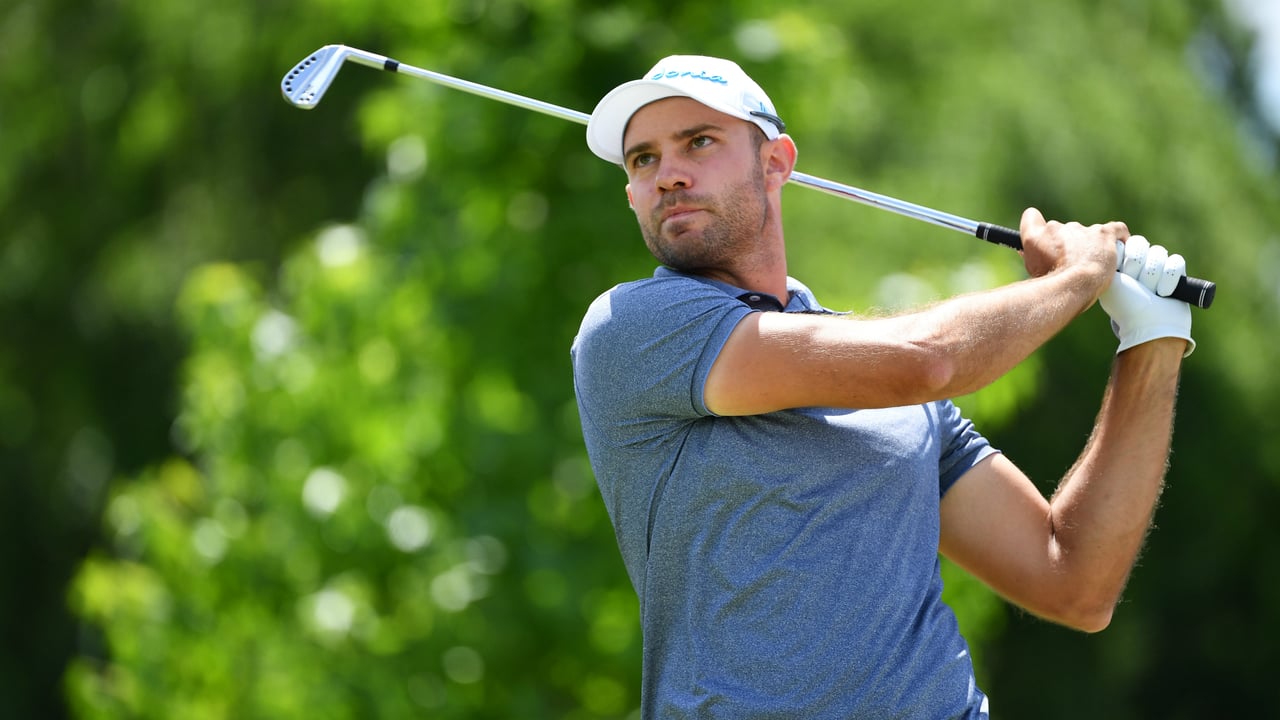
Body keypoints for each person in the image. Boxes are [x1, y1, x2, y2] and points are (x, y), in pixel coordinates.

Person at [570, 55, 1195, 719]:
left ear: (776, 163)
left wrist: (1151, 341)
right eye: (642, 160)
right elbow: (925, 360)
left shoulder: (897, 396)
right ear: (632, 193)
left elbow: (1074, 581)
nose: (667, 174)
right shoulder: (631, 328)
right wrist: (1073, 280)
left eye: (699, 141)